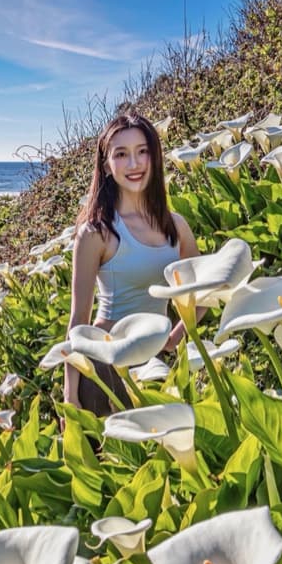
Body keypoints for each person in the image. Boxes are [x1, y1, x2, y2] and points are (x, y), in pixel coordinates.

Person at [65, 111, 198, 415]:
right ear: (107, 164)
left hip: (156, 366)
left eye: (142, 152)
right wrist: (70, 398)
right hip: (106, 367)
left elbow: (204, 289)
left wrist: (176, 336)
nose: (135, 164)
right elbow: (78, 322)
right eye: (121, 154)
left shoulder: (175, 227)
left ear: (155, 157)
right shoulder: (96, 232)